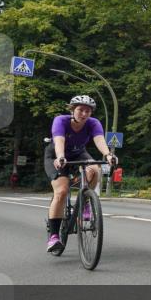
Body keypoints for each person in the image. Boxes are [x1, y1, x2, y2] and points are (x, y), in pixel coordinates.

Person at [44, 95, 117, 254]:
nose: (84, 114)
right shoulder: (61, 121)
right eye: (80, 110)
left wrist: (108, 155)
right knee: (62, 192)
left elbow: (99, 140)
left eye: (87, 111)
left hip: (78, 153)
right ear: (72, 110)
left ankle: (85, 202)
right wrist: (61, 156)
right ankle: (54, 237)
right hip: (56, 155)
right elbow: (59, 140)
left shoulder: (93, 123)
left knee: (95, 169)